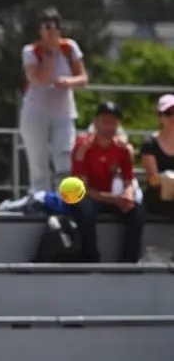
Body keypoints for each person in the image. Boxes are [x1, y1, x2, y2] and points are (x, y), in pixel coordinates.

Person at [18, 7, 89, 195]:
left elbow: (83, 78)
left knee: (64, 154)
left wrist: (68, 82)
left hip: (63, 112)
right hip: (36, 112)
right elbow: (39, 79)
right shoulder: (31, 51)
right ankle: (39, 196)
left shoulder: (69, 48)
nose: (52, 31)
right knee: (38, 159)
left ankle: (65, 197)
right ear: (39, 30)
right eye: (46, 26)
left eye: (55, 26)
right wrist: (50, 53)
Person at [69, 101, 144, 263]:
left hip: (109, 195)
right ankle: (90, 258)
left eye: (114, 122)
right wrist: (114, 199)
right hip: (88, 194)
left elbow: (128, 179)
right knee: (85, 208)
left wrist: (128, 194)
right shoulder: (83, 147)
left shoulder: (122, 149)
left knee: (137, 210)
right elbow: (83, 188)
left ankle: (129, 261)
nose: (109, 126)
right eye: (105, 121)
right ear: (96, 122)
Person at [139, 93, 174, 220]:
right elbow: (153, 180)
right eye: (168, 113)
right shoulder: (150, 144)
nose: (172, 117)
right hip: (158, 196)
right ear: (160, 118)